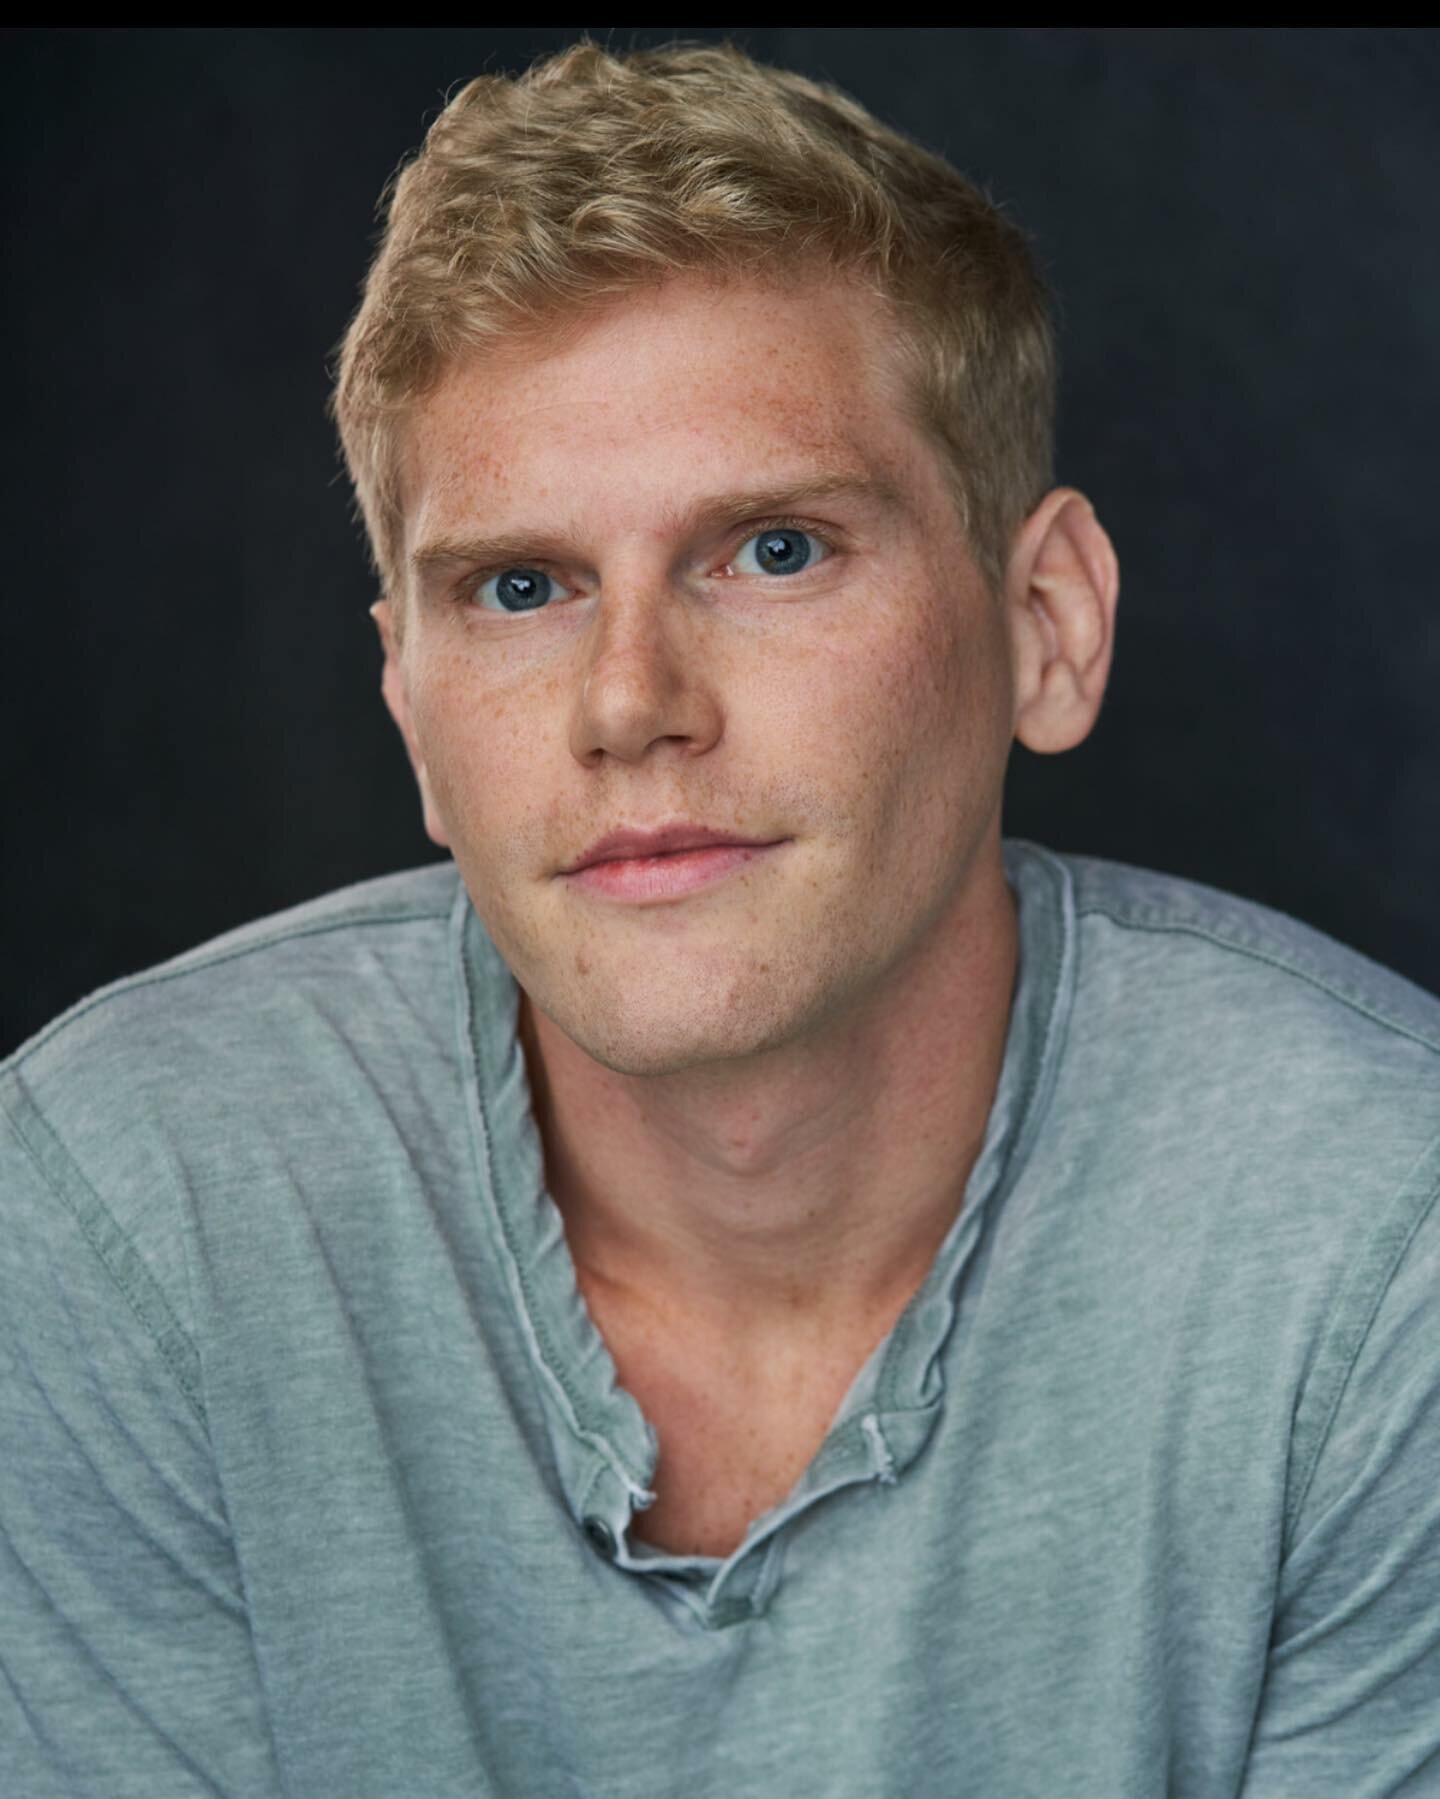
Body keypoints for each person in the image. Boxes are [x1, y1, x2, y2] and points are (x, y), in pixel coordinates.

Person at [3, 37, 1438, 1798]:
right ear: (413, 715)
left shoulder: (1383, 1244)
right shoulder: (130, 1215)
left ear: (1045, 624)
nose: (630, 702)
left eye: (773, 550)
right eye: (519, 587)